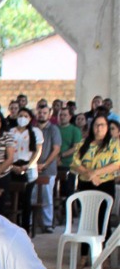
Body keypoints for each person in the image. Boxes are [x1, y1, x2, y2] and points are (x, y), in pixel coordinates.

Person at [69, 115, 120, 253]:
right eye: (96, 125)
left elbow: (116, 163)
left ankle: (105, 255)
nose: (99, 128)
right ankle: (84, 254)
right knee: (86, 219)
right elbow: (75, 164)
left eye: (102, 125)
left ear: (107, 127)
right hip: (85, 184)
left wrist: (96, 172)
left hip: (104, 184)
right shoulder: (84, 143)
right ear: (92, 127)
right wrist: (90, 175)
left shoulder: (113, 144)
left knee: (104, 220)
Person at [7, 107, 43, 231]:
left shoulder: (35, 131)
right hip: (13, 166)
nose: (22, 118)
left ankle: (25, 227)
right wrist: (12, 166)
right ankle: (12, 226)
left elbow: (37, 151)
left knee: (25, 199)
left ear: (30, 118)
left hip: (28, 167)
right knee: (11, 199)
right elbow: (7, 151)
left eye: (26, 116)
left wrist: (28, 166)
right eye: (20, 115)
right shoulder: (11, 131)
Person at [33, 102, 62, 232]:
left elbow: (56, 149)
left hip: (48, 169)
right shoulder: (32, 129)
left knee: (47, 197)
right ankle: (30, 222)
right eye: (40, 112)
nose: (42, 115)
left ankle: (47, 223)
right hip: (33, 168)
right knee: (32, 196)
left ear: (49, 114)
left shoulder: (53, 129)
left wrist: (45, 164)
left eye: (45, 113)